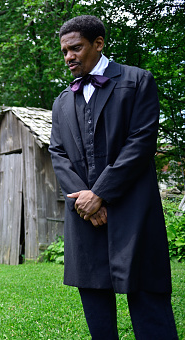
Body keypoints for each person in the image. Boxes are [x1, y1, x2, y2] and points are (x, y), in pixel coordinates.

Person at [48, 15, 178, 339]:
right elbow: (58, 154)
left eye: (75, 48)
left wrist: (100, 193)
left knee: (150, 306)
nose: (68, 57)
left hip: (134, 212)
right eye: (64, 51)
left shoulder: (137, 81)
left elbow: (141, 142)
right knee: (97, 314)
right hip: (84, 217)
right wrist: (85, 200)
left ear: (99, 43)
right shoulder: (62, 101)